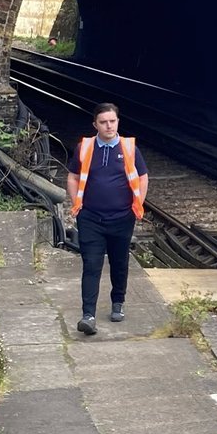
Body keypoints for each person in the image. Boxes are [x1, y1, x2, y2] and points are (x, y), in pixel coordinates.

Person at [66, 103, 148, 336]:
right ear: (96, 125)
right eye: (103, 122)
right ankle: (88, 316)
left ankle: (118, 302)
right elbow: (72, 177)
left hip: (122, 217)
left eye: (112, 121)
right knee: (91, 264)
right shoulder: (84, 148)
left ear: (118, 122)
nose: (108, 125)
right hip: (90, 217)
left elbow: (142, 178)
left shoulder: (129, 148)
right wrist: (77, 204)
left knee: (119, 261)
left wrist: (137, 205)